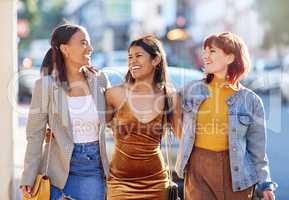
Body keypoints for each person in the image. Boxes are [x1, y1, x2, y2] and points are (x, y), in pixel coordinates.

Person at [176, 32, 277, 200]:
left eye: (212, 51)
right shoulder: (190, 90)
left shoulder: (251, 101)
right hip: (198, 172)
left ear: (230, 57)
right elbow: (161, 104)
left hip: (238, 176)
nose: (205, 56)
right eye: (204, 51)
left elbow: (257, 150)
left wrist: (265, 184)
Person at [20, 24, 109, 200]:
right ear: (65, 49)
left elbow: (114, 121)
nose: (90, 48)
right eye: (83, 43)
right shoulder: (45, 86)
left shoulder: (100, 80)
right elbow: (35, 135)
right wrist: (28, 177)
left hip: (92, 169)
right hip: (54, 171)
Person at [105, 35, 181, 200]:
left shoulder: (169, 96)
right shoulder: (114, 94)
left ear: (156, 60)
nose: (132, 61)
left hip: (156, 183)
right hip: (119, 184)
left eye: (138, 55)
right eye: (130, 57)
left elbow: (184, 136)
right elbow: (91, 126)